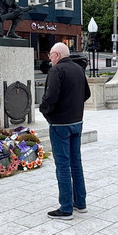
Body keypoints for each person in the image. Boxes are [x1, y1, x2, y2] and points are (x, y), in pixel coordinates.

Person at [39, 41, 91, 220]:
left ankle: (66, 208)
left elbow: (50, 96)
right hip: (77, 122)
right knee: (76, 162)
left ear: (58, 55)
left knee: (62, 165)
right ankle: (80, 203)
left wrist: (44, 110)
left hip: (60, 124)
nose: (50, 59)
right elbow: (87, 94)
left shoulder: (56, 70)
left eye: (51, 55)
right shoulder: (78, 69)